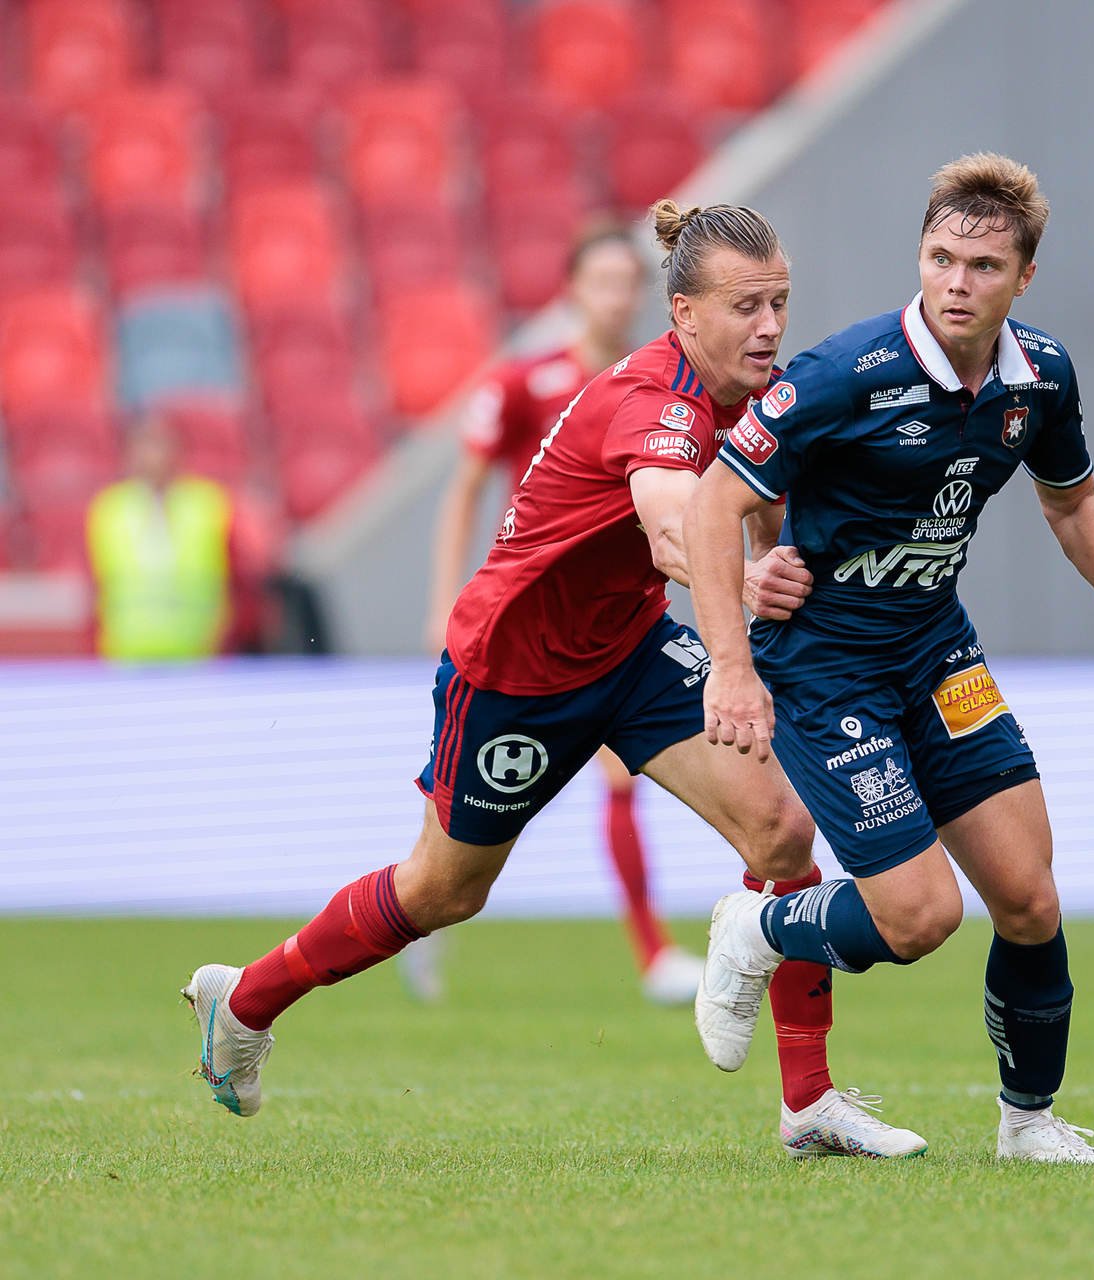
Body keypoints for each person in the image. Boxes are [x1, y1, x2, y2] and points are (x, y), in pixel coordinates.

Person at [183, 202, 927, 1160]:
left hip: (630, 647)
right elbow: (670, 528)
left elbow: (755, 496)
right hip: (516, 672)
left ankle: (809, 1104)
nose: (772, 326)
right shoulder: (651, 403)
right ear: (685, 314)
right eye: (748, 307)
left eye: (781, 302)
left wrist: (772, 558)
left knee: (782, 830)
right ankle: (243, 1004)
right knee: (442, 891)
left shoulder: (749, 391)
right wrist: (744, 581)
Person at [684, 154, 1094, 1164]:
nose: (956, 282)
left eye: (981, 264)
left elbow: (1073, 501)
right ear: (918, 258)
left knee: (1029, 895)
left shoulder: (1042, 375)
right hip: (826, 667)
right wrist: (732, 659)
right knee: (922, 914)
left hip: (937, 651)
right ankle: (757, 930)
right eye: (940, 258)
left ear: (1023, 278)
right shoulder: (845, 372)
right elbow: (721, 494)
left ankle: (1028, 1123)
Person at [416, 223, 701, 1006]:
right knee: (458, 830)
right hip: (525, 621)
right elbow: (466, 486)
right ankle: (419, 917)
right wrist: (443, 596)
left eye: (624, 281)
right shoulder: (523, 380)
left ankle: (652, 955)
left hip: (616, 618)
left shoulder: (665, 384)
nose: (613, 295)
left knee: (618, 772)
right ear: (572, 291)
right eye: (599, 280)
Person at [86, 415, 236, 662]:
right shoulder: (109, 508)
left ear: (179, 452)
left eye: (160, 445)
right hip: (128, 652)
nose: (153, 456)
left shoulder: (207, 503)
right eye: (145, 446)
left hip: (195, 652)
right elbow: (96, 583)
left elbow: (232, 575)